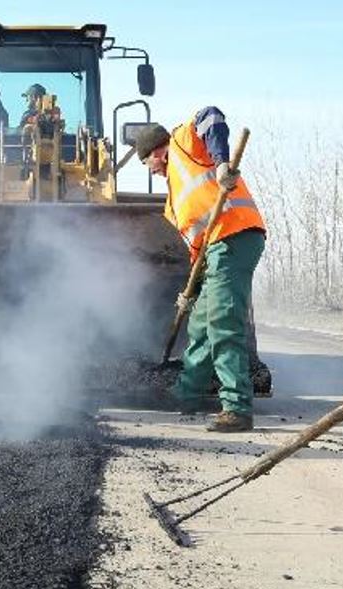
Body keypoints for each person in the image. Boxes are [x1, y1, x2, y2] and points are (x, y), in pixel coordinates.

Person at [136, 108, 266, 432]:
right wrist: (189, 293)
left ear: (156, 152)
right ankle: (187, 393)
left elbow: (211, 116)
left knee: (222, 322)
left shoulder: (182, 143)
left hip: (235, 237)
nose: (149, 171)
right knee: (200, 325)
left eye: (146, 163)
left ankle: (237, 407)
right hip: (215, 252)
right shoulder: (172, 201)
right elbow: (198, 250)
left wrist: (222, 163)